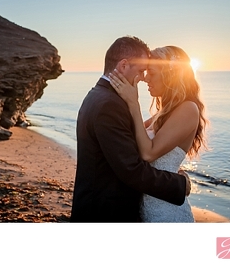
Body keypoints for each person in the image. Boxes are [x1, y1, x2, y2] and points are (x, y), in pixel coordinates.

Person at [71, 36, 191, 222]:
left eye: (149, 72)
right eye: (142, 70)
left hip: (127, 208)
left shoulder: (100, 96)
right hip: (105, 213)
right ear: (124, 66)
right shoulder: (109, 105)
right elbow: (132, 169)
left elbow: (132, 148)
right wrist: (179, 185)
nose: (143, 78)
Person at [109, 45, 207, 222]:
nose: (145, 79)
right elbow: (131, 137)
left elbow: (148, 152)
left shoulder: (188, 109)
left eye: (151, 73)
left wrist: (133, 103)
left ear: (170, 75)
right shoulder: (163, 114)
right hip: (149, 206)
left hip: (167, 212)